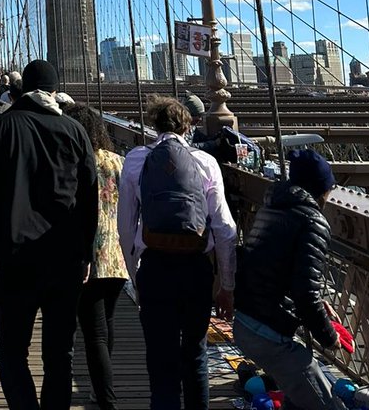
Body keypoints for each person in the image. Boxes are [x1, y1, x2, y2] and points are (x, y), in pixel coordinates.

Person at [0, 59, 98, 410]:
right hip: (65, 261)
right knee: (60, 353)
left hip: (14, 260)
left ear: (21, 89)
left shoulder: (0, 129)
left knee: (11, 352)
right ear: (55, 91)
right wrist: (87, 252)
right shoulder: (76, 132)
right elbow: (89, 200)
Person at [118, 95, 236, 410]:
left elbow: (126, 229)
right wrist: (227, 285)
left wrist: (135, 279)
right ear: (188, 126)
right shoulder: (206, 161)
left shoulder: (135, 160)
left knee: (161, 362)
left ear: (153, 125)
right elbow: (225, 229)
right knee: (195, 355)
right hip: (196, 270)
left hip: (154, 270)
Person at [234, 149, 348, 410]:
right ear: (320, 189)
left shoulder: (272, 206)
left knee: (297, 398)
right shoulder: (312, 220)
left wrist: (316, 304)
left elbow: (277, 269)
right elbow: (305, 293)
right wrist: (329, 337)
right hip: (268, 334)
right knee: (326, 404)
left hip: (246, 321)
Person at [65, 106, 128, 410]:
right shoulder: (120, 162)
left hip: (87, 256)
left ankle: (106, 398)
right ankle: (101, 387)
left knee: (93, 334)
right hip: (117, 255)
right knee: (108, 324)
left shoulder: (75, 163)